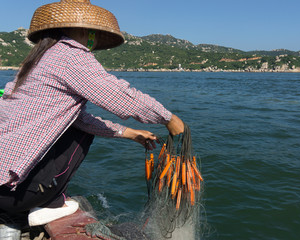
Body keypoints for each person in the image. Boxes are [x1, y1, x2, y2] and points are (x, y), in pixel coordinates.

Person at [0, 0, 184, 232]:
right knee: (79, 132)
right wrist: (168, 118)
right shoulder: (69, 56)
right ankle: (48, 201)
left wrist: (130, 133)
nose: (93, 39)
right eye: (93, 33)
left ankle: (38, 197)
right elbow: (118, 95)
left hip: (3, 191)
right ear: (83, 30)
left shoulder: (40, 59)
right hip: (15, 193)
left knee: (75, 122)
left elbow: (79, 117)